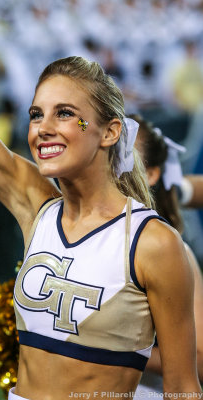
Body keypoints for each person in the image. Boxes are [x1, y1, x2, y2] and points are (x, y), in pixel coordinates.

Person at [0, 34, 201, 399]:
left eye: (66, 114)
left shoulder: (153, 243)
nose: (43, 127)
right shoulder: (37, 207)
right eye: (36, 114)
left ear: (110, 131)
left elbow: (182, 388)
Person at [130, 114, 203, 393]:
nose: (112, 167)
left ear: (152, 174)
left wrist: (119, 347)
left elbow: (199, 359)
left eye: (126, 157)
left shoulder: (169, 250)